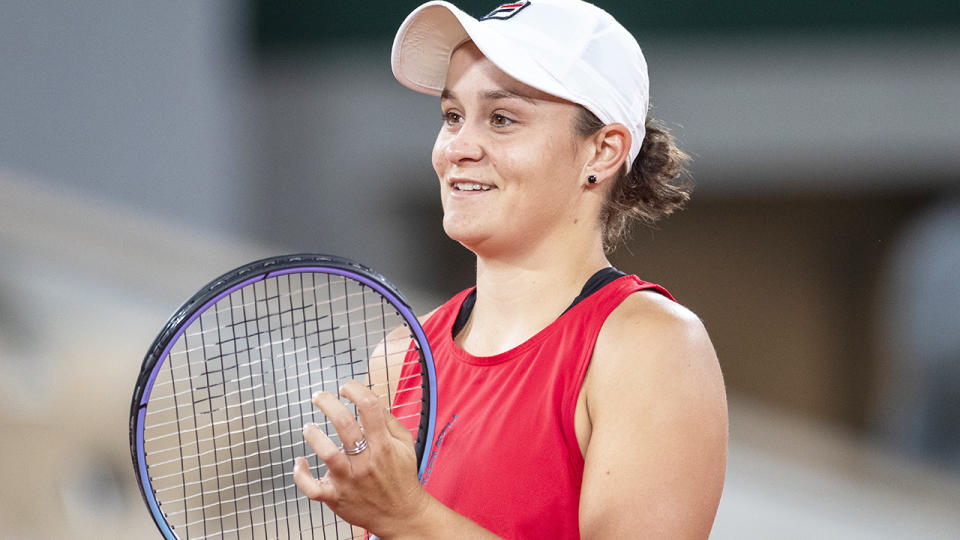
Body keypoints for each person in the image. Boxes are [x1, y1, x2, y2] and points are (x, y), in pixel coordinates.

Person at [292, 1, 728, 537]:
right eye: (452, 116)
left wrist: (409, 516)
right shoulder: (401, 356)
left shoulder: (652, 346)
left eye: (502, 119)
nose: (457, 148)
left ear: (602, 151)